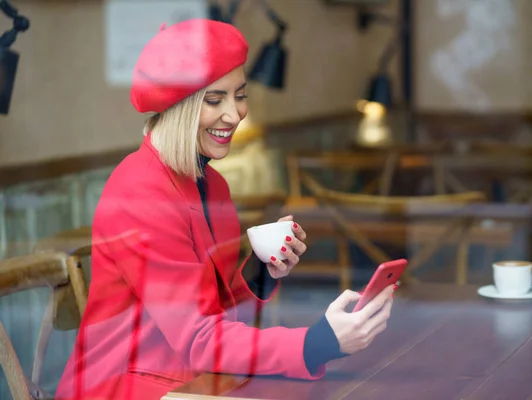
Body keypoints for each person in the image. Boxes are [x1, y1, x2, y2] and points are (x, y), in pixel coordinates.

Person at [55, 19, 395, 400]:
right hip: (127, 389)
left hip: (197, 382)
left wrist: (260, 271)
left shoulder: (211, 184)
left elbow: (211, 311)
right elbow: (199, 336)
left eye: (240, 95)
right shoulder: (141, 194)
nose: (235, 115)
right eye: (215, 100)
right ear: (177, 108)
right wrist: (316, 344)